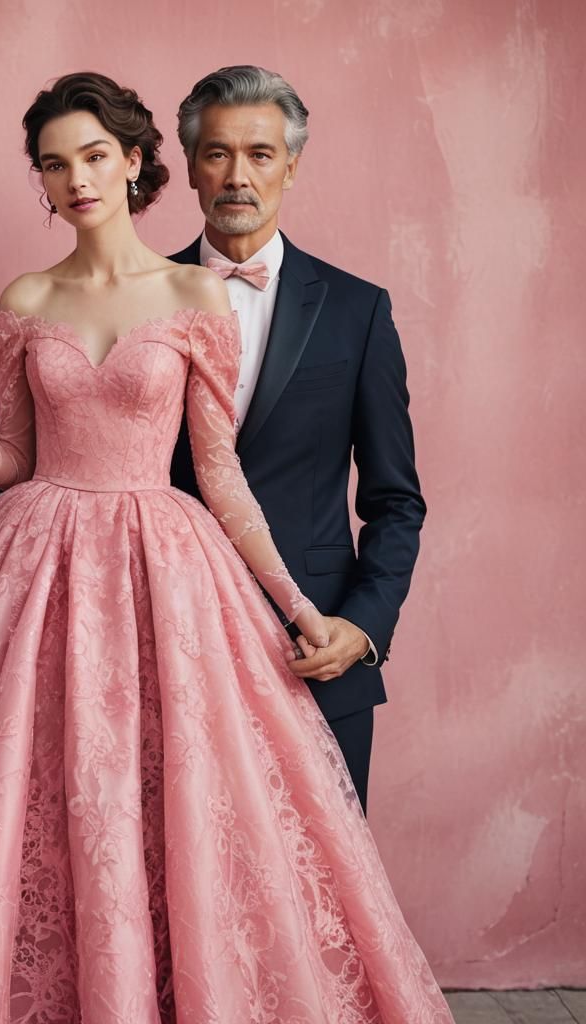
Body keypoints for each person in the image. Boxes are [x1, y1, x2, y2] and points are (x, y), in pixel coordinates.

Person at [0, 74, 452, 1023]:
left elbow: (221, 477)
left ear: (134, 161)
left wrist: (301, 609)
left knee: (175, 808)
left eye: (93, 156)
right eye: (54, 163)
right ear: (40, 183)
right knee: (27, 804)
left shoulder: (191, 290)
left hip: (161, 561)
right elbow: (12, 455)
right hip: (34, 561)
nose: (75, 178)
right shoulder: (26, 294)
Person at [169, 65, 427, 810]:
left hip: (313, 654)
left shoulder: (358, 311)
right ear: (189, 166)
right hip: (173, 645)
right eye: (217, 153)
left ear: (292, 166)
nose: (238, 175)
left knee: (323, 913)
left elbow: (395, 501)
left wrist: (362, 626)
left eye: (260, 153)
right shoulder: (136, 298)